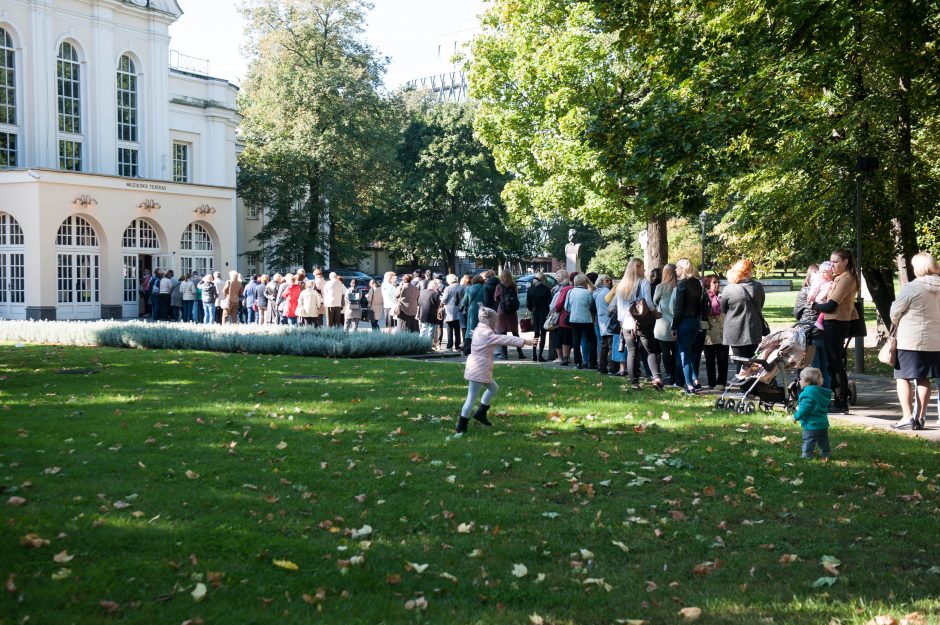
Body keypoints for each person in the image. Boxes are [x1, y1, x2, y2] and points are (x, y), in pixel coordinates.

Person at [456, 305, 536, 434]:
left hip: (478, 365)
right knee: (471, 398)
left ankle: (481, 412)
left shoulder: (479, 329)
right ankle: (461, 428)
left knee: (493, 388)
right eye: (495, 320)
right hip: (479, 367)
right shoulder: (487, 333)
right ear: (490, 321)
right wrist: (524, 341)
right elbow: (505, 339)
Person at [889, 252, 940, 430]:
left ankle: (907, 416)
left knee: (903, 377)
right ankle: (920, 416)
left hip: (911, 340)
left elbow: (895, 312)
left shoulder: (913, 287)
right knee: (924, 378)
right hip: (935, 341)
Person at [810, 249, 859, 414]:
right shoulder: (840, 278)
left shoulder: (846, 279)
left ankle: (840, 403)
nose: (832, 265)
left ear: (845, 261)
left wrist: (814, 306)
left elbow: (831, 306)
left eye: (835, 262)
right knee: (834, 364)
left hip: (837, 323)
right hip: (833, 323)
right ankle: (838, 400)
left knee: (836, 365)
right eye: (830, 262)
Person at [611, 258, 663, 390]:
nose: (644, 270)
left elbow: (619, 308)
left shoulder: (621, 285)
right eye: (642, 267)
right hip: (642, 322)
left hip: (627, 323)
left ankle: (634, 382)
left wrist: (622, 323)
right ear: (638, 268)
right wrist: (655, 313)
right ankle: (656, 377)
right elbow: (648, 303)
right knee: (650, 351)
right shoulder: (643, 282)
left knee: (632, 352)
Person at [720, 259, 766, 359]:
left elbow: (723, 308)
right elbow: (760, 305)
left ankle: (740, 374)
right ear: (748, 271)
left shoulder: (729, 288)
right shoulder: (758, 287)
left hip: (734, 330)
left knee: (740, 362)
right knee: (752, 362)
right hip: (753, 328)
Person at [672, 258, 703, 394]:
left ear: (682, 269)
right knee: (689, 352)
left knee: (684, 354)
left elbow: (678, 309)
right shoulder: (697, 283)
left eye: (677, 267)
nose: (675, 270)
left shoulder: (682, 284)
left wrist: (674, 326)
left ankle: (689, 384)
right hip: (695, 322)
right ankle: (694, 379)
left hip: (684, 322)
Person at [793, 367, 832, 459]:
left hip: (811, 424)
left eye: (801, 379)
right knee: (823, 440)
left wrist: (796, 416)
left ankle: (807, 455)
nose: (800, 381)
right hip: (823, 423)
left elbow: (805, 408)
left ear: (807, 381)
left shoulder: (807, 394)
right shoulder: (821, 393)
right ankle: (826, 453)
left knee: (809, 440)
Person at [564, 274, 597, 369]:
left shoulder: (570, 292)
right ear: (584, 282)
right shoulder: (588, 293)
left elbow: (567, 307)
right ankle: (592, 362)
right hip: (586, 319)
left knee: (576, 340)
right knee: (591, 340)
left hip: (574, 318)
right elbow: (591, 306)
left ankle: (578, 362)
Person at [702, 274, 728, 390]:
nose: (717, 285)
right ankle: (711, 382)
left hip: (722, 330)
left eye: (718, 282)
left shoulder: (723, 297)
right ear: (708, 284)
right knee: (709, 358)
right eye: (714, 283)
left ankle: (721, 382)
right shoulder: (704, 297)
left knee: (723, 358)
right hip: (709, 330)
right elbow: (702, 315)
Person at [653, 263, 678, 385]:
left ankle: (669, 374)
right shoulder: (679, 286)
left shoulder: (661, 287)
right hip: (677, 323)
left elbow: (654, 301)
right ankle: (678, 374)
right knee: (677, 351)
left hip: (663, 325)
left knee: (666, 352)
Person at [494, 269, 525, 360]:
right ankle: (520, 353)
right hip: (512, 311)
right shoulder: (514, 285)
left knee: (503, 333)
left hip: (502, 311)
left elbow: (496, 298)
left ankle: (504, 354)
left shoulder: (499, 286)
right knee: (515, 332)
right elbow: (516, 295)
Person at [592, 275, 615, 375]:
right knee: (611, 346)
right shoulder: (606, 292)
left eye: (610, 280)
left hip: (601, 321)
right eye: (607, 280)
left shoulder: (596, 292)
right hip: (609, 320)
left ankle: (602, 367)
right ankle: (612, 368)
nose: (609, 282)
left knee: (604, 346)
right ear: (602, 281)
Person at [527, 273, 552, 362]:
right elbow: (549, 303)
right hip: (544, 313)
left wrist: (533, 310)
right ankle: (540, 355)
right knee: (543, 334)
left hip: (535, 312)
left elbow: (528, 304)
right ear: (543, 280)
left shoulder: (530, 289)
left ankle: (534, 354)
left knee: (536, 334)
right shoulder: (546, 290)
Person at [460, 275, 485, 354]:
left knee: (471, 329)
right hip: (483, 310)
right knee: (482, 329)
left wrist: (461, 308)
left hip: (472, 310)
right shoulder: (485, 288)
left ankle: (468, 348)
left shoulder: (469, 288)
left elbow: (464, 302)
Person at [442, 275, 463, 351]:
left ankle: (449, 346)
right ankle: (458, 346)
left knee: (450, 330)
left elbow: (443, 300)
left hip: (450, 312)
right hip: (459, 310)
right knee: (457, 330)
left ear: (449, 280)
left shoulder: (448, 288)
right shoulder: (461, 287)